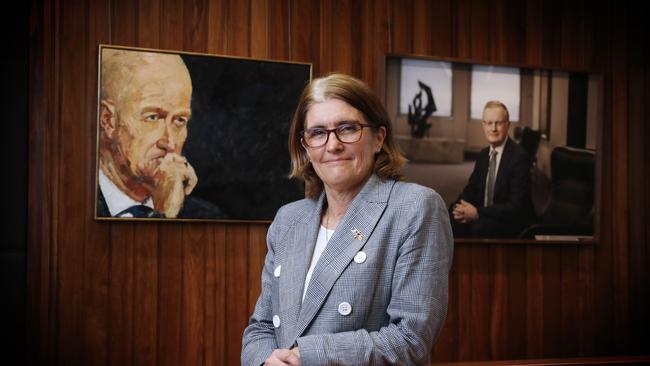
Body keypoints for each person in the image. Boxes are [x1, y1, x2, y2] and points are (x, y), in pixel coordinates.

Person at [241, 73, 453, 366]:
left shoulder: (414, 207)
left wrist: (308, 356)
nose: (333, 145)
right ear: (305, 146)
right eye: (317, 133)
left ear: (378, 138)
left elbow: (411, 340)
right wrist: (266, 360)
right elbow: (260, 327)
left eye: (348, 128)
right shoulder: (288, 219)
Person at [96, 48, 223, 219]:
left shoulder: (207, 216)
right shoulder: (68, 207)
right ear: (108, 120)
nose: (169, 143)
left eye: (179, 120)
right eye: (153, 117)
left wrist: (168, 214)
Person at [450, 100, 533, 238]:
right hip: (487, 214)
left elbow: (515, 207)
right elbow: (471, 190)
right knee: (452, 220)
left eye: (498, 123)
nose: (493, 128)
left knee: (478, 228)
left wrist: (478, 213)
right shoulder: (483, 155)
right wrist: (457, 208)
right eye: (489, 123)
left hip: (511, 221)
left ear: (508, 125)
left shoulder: (519, 157)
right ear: (483, 125)